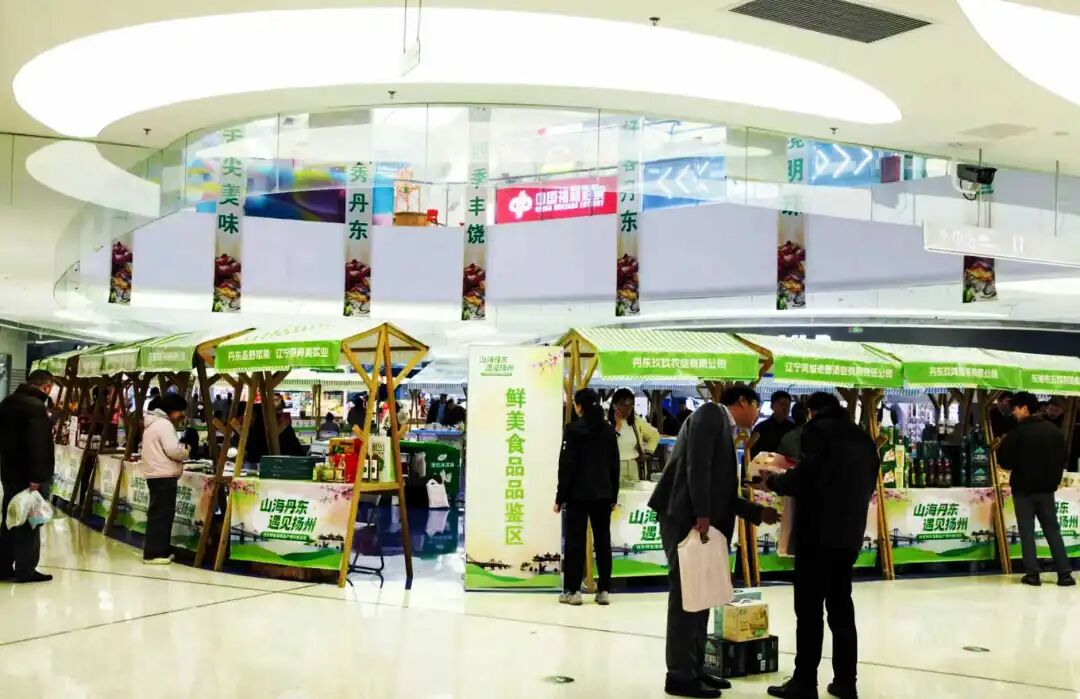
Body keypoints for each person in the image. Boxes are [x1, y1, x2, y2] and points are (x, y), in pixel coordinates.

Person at [648, 385, 779, 699]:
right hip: (686, 517)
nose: (758, 413)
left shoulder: (723, 426)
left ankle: (695, 668)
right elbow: (697, 466)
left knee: (701, 594)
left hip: (696, 517)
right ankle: (679, 675)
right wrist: (702, 514)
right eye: (757, 405)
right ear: (743, 402)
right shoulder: (710, 414)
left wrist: (755, 513)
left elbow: (720, 487)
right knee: (686, 596)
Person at [763, 392, 880, 699]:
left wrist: (775, 482)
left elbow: (808, 476)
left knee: (809, 611)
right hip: (849, 534)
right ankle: (846, 681)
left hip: (817, 534)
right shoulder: (863, 438)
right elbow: (871, 480)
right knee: (841, 608)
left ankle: (804, 682)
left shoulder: (816, 431)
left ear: (811, 412)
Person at [998, 391, 1076, 588]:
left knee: (1027, 532)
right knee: (1052, 530)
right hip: (1047, 491)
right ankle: (1065, 573)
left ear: (1024, 408)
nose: (1014, 412)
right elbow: (1063, 457)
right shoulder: (1053, 431)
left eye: (1015, 408)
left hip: (1023, 491)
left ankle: (1032, 574)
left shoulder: (1017, 433)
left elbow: (1004, 461)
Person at [555, 388, 620, 606]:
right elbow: (614, 465)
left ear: (579, 407)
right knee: (603, 542)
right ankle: (604, 590)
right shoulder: (609, 430)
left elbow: (567, 466)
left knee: (575, 541)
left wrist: (560, 496)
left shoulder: (573, 430)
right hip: (603, 495)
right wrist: (614, 495)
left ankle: (573, 591)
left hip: (578, 496)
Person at [0, 369, 56, 583]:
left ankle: (3, 567)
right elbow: (38, 445)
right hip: (29, 477)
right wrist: (37, 477)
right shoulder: (35, 407)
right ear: (47, 386)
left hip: (9, 473)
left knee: (9, 520)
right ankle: (26, 569)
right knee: (30, 523)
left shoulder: (7, 402)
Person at [140, 393, 190, 565]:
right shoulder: (164, 424)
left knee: (158, 514)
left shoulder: (153, 423)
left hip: (155, 474)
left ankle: (158, 549)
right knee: (161, 515)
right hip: (163, 475)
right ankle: (154, 553)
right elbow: (173, 450)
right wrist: (186, 450)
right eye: (180, 411)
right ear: (172, 409)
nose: (181, 415)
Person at [610, 387, 660, 484]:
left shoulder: (636, 422)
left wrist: (648, 452)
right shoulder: (606, 423)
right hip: (614, 467)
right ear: (614, 405)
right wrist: (618, 424)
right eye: (623, 404)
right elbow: (608, 443)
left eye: (630, 404)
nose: (627, 408)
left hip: (634, 467)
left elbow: (655, 435)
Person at [750, 390, 795, 458]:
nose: (785, 409)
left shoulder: (793, 428)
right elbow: (752, 453)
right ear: (771, 406)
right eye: (782, 404)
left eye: (788, 406)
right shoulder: (761, 428)